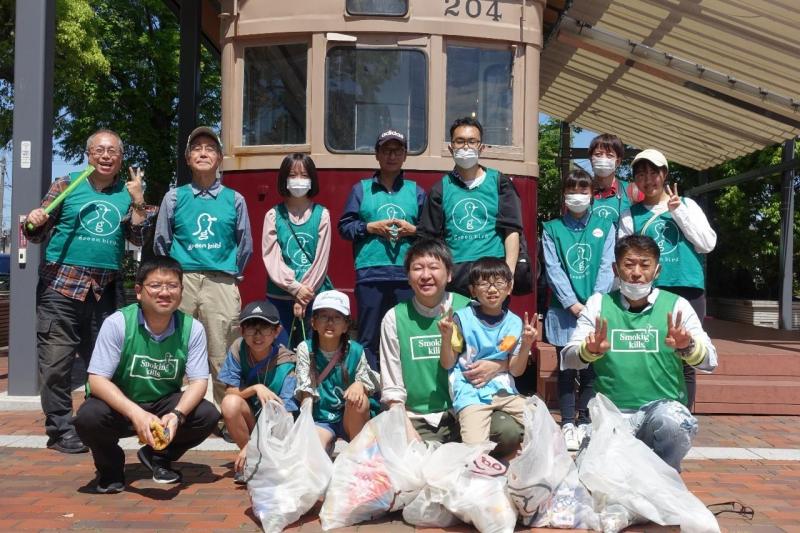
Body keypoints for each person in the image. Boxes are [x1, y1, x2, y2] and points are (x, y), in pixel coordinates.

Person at [23, 128, 152, 454]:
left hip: (103, 290)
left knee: (106, 364)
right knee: (56, 364)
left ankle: (96, 424)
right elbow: (36, 233)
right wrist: (35, 220)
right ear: (89, 155)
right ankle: (61, 430)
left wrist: (138, 203)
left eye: (113, 151)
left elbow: (136, 241)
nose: (106, 156)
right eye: (100, 150)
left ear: (120, 158)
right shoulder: (68, 184)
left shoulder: (126, 192)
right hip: (60, 288)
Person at [561, 235, 717, 471]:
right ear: (616, 268)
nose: (636, 272)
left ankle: (664, 476)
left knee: (674, 423)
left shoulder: (678, 306)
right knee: (590, 480)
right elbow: (568, 357)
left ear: (657, 270)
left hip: (660, 413)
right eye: (629, 264)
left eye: (645, 265)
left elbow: (710, 361)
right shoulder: (598, 304)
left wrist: (687, 347)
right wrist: (588, 351)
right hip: (611, 415)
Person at [73, 256, 220, 493]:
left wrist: (176, 416)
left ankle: (158, 456)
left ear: (181, 291)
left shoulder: (192, 328)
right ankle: (110, 468)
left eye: (172, 286)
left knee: (207, 414)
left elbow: (198, 382)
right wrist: (137, 414)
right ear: (139, 291)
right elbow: (97, 380)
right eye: (156, 285)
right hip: (121, 404)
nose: (165, 292)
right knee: (88, 417)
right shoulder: (118, 323)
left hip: (162, 404)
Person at [380, 239, 523, 456]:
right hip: (419, 417)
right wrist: (407, 430)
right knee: (417, 461)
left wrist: (499, 365)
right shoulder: (394, 318)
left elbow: (508, 349)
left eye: (434, 267)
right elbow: (391, 386)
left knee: (509, 432)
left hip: (468, 407)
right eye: (417, 268)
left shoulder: (469, 308)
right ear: (408, 277)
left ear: (449, 275)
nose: (426, 275)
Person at [154, 126, 253, 409]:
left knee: (222, 349)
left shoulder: (235, 200)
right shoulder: (174, 197)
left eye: (210, 149)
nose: (203, 153)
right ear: (187, 158)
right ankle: (167, 407)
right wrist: (172, 276)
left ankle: (226, 412)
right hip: (180, 281)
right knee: (174, 345)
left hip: (221, 281)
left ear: (220, 158)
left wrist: (230, 275)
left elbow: (245, 244)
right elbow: (162, 241)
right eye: (196, 148)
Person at [618, 149, 717, 411]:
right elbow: (625, 255)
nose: (648, 179)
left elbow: (707, 244)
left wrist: (678, 213)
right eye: (641, 174)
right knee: (652, 354)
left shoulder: (687, 205)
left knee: (686, 356)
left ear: (664, 175)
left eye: (653, 173)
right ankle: (649, 414)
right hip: (650, 292)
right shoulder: (630, 215)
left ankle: (682, 418)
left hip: (687, 289)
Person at [338, 130, 426, 369]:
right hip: (370, 274)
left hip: (406, 275)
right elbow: (344, 227)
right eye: (386, 150)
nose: (392, 155)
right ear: (377, 155)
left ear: (405, 155)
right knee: (369, 337)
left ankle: (406, 391)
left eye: (397, 150)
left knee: (406, 335)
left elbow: (431, 232)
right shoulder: (361, 190)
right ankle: (370, 392)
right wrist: (369, 227)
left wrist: (413, 230)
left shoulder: (416, 191)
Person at [542, 169, 615, 450]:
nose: (577, 195)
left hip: (595, 309)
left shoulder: (605, 226)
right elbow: (553, 268)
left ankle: (585, 419)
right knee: (566, 367)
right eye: (572, 189)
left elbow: (608, 266)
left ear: (591, 195)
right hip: (564, 310)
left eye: (583, 190)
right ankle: (568, 422)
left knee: (590, 367)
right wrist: (572, 304)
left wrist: (594, 304)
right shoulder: (551, 229)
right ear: (564, 194)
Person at [437, 258, 535, 452]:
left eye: (499, 283)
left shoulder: (515, 323)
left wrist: (526, 345)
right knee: (474, 450)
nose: (492, 290)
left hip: (504, 391)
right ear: (473, 290)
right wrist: (446, 338)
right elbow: (448, 363)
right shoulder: (462, 318)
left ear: (509, 286)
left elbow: (516, 370)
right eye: (484, 283)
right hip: (471, 392)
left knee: (540, 420)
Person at [417, 117, 523, 296]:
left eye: (472, 141)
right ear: (451, 148)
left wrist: (509, 273)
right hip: (455, 279)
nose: (466, 147)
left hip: (493, 275)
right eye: (460, 141)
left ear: (481, 147)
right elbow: (429, 238)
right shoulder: (440, 189)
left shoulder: (500, 183)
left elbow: (511, 230)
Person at [219, 300, 298, 483]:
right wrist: (256, 388)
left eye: (265, 329)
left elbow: (287, 413)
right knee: (230, 404)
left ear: (277, 331)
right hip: (251, 420)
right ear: (241, 330)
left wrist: (254, 443)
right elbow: (230, 391)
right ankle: (252, 461)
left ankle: (259, 458)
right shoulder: (239, 349)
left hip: (276, 428)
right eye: (251, 329)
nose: (257, 336)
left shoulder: (287, 364)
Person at [294, 290, 379, 453]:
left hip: (349, 417)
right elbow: (306, 391)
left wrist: (360, 384)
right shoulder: (305, 348)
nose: (330, 323)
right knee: (313, 455)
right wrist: (306, 430)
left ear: (346, 325)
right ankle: (326, 443)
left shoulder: (356, 350)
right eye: (324, 316)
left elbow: (369, 381)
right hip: (321, 418)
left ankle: (357, 454)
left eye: (337, 317)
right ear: (313, 322)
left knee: (359, 401)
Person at [263, 153, 331, 349]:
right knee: (281, 351)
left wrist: (304, 294)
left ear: (312, 179)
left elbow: (321, 260)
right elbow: (271, 258)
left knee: (313, 351)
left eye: (304, 175)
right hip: (279, 296)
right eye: (293, 175)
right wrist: (295, 288)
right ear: (284, 179)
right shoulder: (273, 215)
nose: (298, 180)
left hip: (314, 294)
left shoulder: (323, 215)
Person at [587, 133, 642, 225]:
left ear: (618, 161)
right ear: (590, 159)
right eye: (598, 154)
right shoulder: (578, 192)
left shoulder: (633, 191)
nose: (603, 159)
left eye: (609, 155)